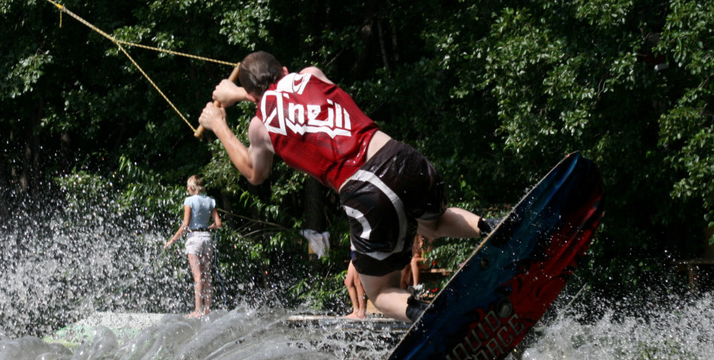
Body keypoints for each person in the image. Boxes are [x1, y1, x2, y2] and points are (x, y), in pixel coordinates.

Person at [198, 51, 493, 322]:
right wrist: (241, 93)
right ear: (285, 69)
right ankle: (493, 228)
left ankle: (437, 317)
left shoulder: (259, 127)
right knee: (434, 222)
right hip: (399, 155)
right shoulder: (312, 73)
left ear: (251, 93)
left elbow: (254, 172)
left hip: (364, 188)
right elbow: (285, 94)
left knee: (379, 292)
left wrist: (220, 125)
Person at [165, 175, 223, 317]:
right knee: (207, 275)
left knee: (198, 277)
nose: (186, 188)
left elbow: (185, 225)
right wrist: (210, 226)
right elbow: (219, 224)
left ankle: (197, 311)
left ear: (191, 188)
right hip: (207, 239)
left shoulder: (189, 200)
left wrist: (172, 241)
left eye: (187, 186)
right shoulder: (211, 201)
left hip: (194, 239)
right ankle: (207, 309)